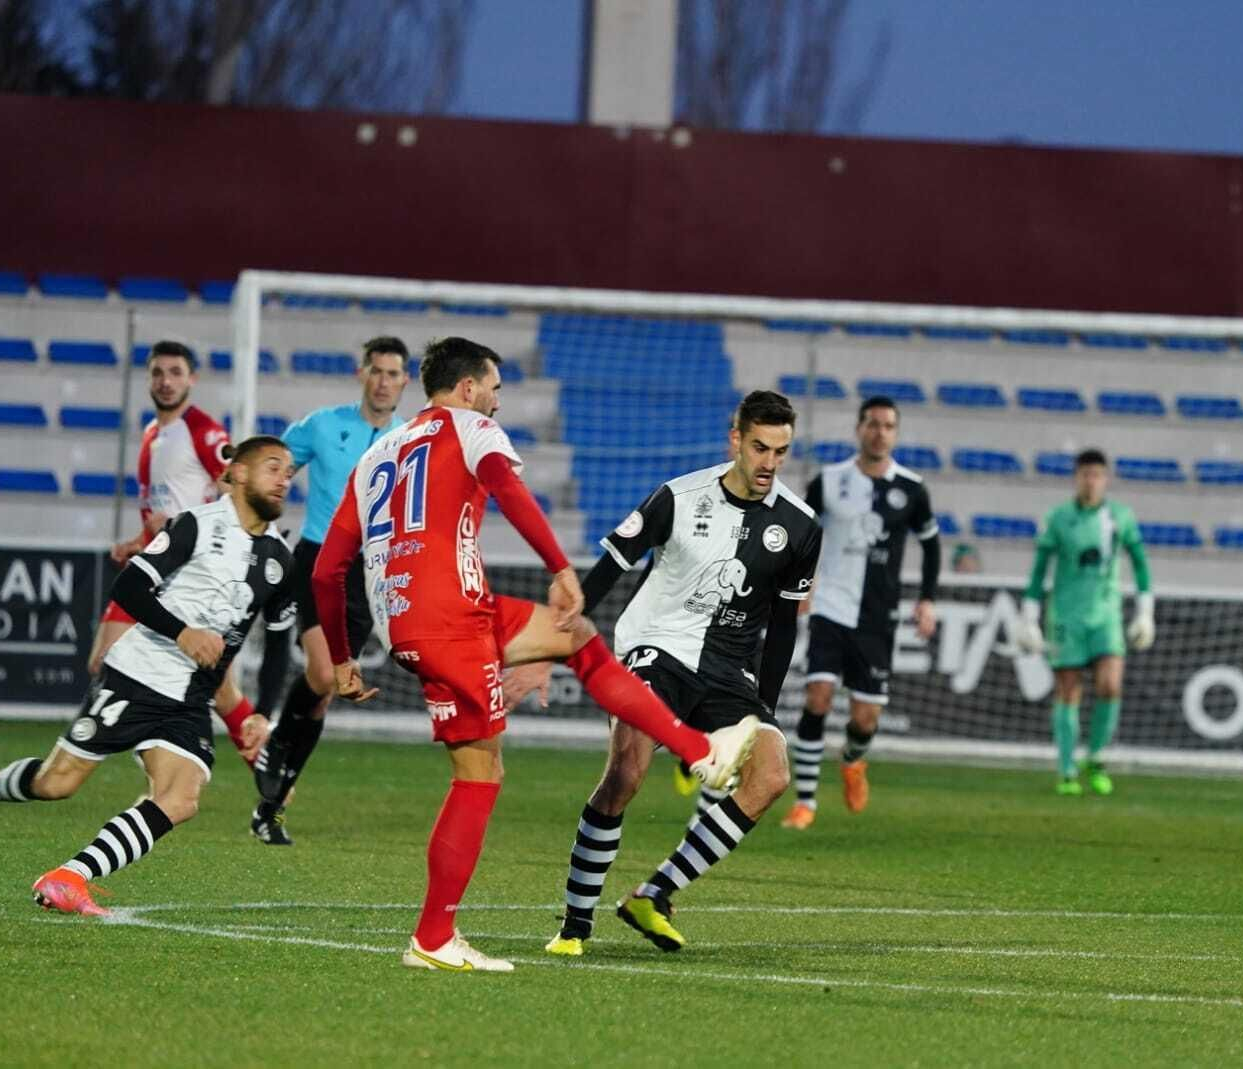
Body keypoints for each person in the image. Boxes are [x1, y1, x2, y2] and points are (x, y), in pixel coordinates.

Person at [310, 336, 758, 973]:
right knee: (481, 776)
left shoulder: (377, 452)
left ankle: (693, 751)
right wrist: (558, 567)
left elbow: (328, 571)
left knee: (573, 641)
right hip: (453, 620)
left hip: (413, 624)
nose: (497, 400)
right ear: (467, 389)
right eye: (493, 387)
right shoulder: (470, 429)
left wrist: (343, 655)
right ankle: (434, 938)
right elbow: (512, 494)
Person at [538, 390, 822, 956]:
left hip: (727, 667)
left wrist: (757, 717)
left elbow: (784, 626)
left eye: (782, 451)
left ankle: (654, 895)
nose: (769, 463)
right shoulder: (677, 497)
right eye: (760, 447)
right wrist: (547, 650)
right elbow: (604, 574)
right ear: (735, 440)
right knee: (626, 774)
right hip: (655, 647)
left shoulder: (800, 526)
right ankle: (574, 923)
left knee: (771, 776)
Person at [0, 437, 296, 915]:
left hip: (190, 697)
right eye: (273, 468)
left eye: (289, 473)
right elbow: (130, 585)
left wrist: (263, 715)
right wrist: (183, 632)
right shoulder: (195, 526)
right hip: (138, 675)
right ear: (242, 474)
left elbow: (278, 645)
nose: (284, 480)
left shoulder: (278, 560)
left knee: (181, 798)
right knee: (56, 783)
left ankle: (69, 876)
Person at [248, 335, 410, 845]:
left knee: (325, 695)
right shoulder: (322, 426)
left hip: (369, 573)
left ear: (405, 382)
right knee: (323, 671)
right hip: (317, 559)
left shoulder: (410, 438)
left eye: (394, 374)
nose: (384, 381)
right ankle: (272, 744)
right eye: (377, 371)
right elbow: (272, 465)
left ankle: (269, 809)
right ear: (362, 374)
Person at [90, 340, 269, 766]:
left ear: (192, 379)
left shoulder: (204, 431)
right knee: (107, 661)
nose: (165, 382)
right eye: (157, 373)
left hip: (188, 573)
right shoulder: (154, 433)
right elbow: (162, 509)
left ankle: (266, 766)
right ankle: (268, 768)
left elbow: (234, 490)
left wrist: (196, 535)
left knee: (212, 683)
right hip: (155, 566)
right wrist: (139, 540)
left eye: (175, 372)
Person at [778, 395, 939, 830]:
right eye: (872, 424)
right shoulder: (830, 481)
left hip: (877, 618)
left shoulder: (911, 488)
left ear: (896, 434)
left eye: (888, 426)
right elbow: (803, 534)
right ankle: (805, 802)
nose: (879, 432)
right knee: (818, 697)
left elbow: (931, 545)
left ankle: (853, 761)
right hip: (830, 605)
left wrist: (926, 599)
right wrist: (802, 583)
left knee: (865, 719)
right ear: (858, 429)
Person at [1016, 448, 1154, 796]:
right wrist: (1029, 617)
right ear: (1076, 478)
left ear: (1105, 479)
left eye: (1097, 475)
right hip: (1065, 616)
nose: (1091, 482)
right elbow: (1038, 572)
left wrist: (1145, 612)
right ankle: (1066, 770)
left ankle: (1096, 757)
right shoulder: (1059, 518)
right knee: (1068, 690)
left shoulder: (1120, 517)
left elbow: (1139, 563)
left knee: (1110, 685)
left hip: (1105, 616)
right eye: (1085, 475)